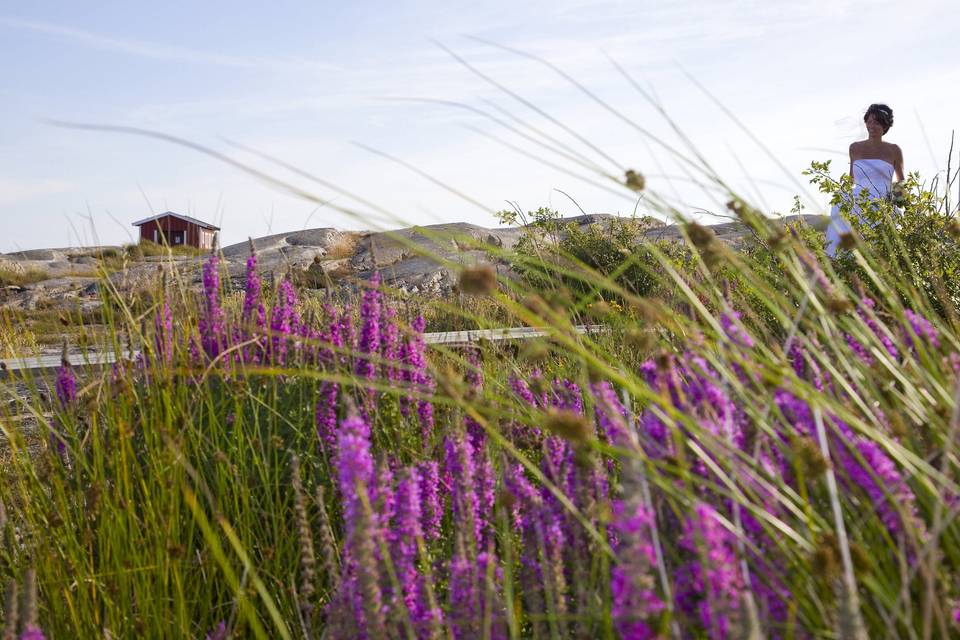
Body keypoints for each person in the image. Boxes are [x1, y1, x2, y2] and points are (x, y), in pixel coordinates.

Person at [825, 103, 905, 256]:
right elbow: (851, 179)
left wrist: (900, 203)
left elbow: (900, 181)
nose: (872, 125)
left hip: (882, 202)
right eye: (869, 121)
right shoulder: (854, 148)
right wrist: (840, 192)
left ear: (885, 125)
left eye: (876, 122)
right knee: (838, 205)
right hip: (858, 199)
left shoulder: (894, 150)